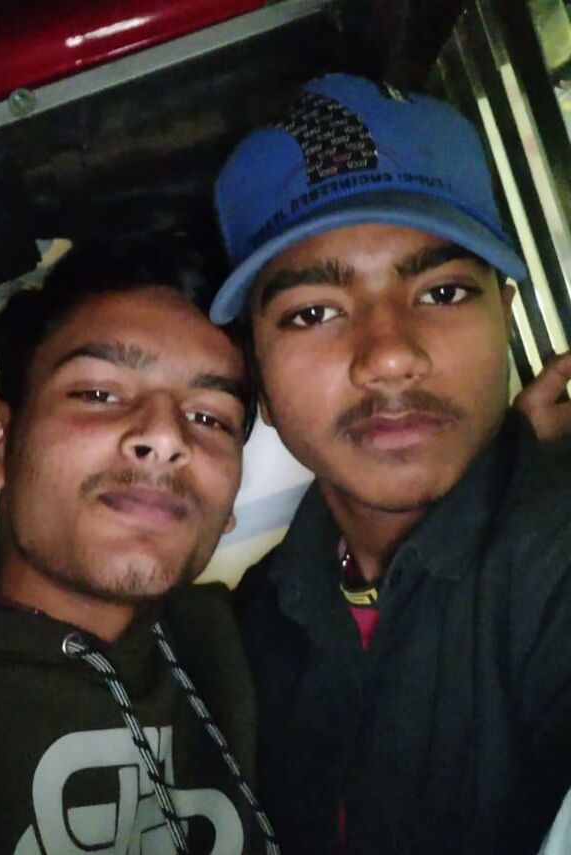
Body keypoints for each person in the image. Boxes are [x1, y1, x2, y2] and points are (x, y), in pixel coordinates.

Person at [208, 74, 571, 854]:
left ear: (506, 321)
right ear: (258, 379)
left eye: (442, 293)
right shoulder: (255, 625)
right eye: (313, 311)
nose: (390, 356)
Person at [0, 236, 279, 855]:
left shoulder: (257, 639)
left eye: (210, 418)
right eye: (99, 394)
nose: (165, 438)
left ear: (227, 504)